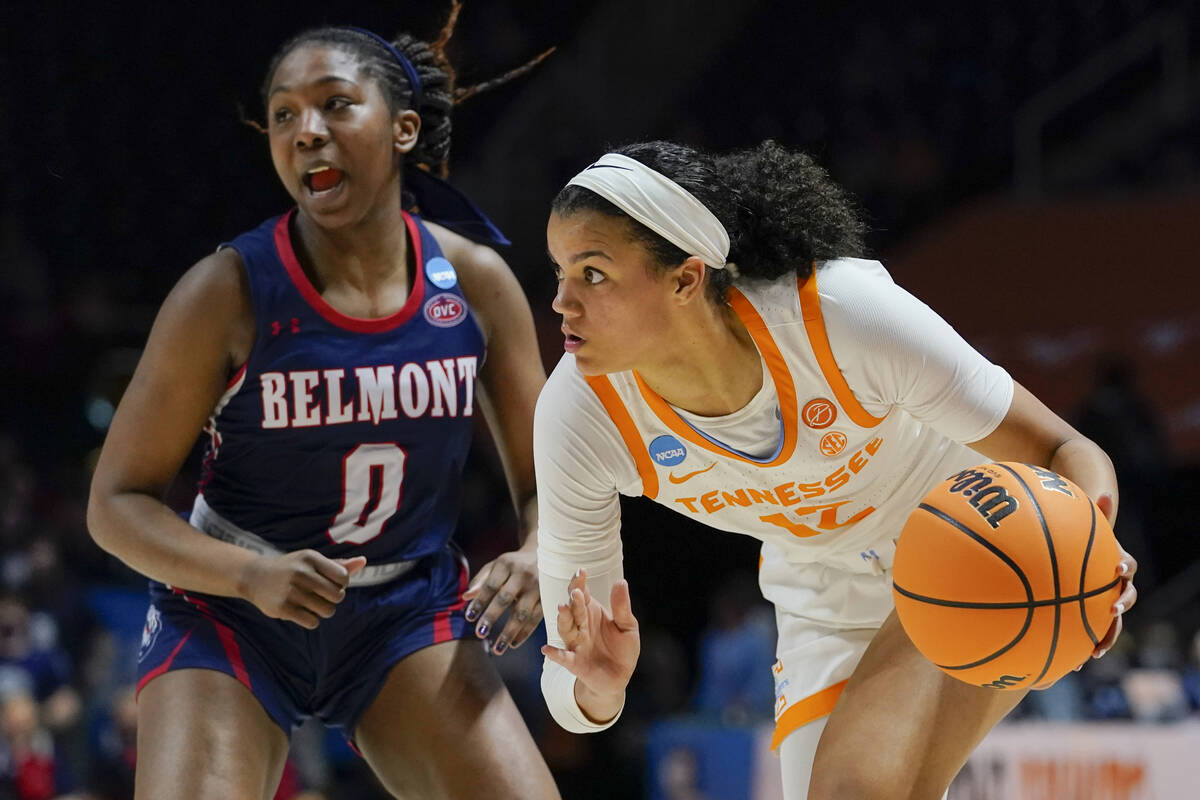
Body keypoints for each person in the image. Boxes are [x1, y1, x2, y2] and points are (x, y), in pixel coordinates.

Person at [534, 140, 1139, 799]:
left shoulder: (840, 313)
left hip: (974, 542)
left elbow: (1065, 450)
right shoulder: (577, 417)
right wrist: (595, 687)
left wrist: (1090, 543)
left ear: (686, 278)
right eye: (559, 271)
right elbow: (569, 681)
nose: (563, 300)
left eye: (592, 273)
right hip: (821, 592)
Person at [86, 12, 560, 800]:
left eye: (335, 104)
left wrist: (543, 550)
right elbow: (114, 504)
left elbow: (552, 481)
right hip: (232, 611)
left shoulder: (476, 285)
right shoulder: (226, 291)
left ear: (404, 129)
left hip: (403, 610)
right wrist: (249, 575)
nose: (306, 131)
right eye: (283, 114)